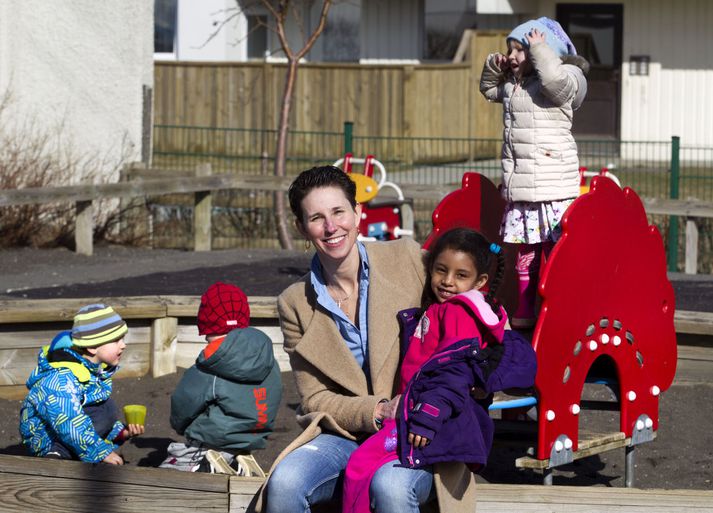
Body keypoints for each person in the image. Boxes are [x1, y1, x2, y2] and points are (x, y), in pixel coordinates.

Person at [254, 165, 476, 513]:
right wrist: (377, 410)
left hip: (420, 429)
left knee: (389, 485)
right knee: (285, 482)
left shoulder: (406, 258)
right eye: (316, 217)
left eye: (339, 212)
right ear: (301, 228)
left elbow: (469, 312)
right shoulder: (295, 303)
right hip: (345, 435)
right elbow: (315, 399)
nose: (331, 227)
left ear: (358, 213)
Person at [342, 227, 537, 513]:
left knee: (360, 467)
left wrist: (428, 415)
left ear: (480, 281)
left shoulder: (457, 312)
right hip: (421, 414)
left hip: (430, 419)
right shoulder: (440, 309)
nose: (447, 281)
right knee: (363, 467)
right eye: (441, 270)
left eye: (461, 275)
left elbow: (454, 369)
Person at [480, 17, 589, 328]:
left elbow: (557, 84)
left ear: (544, 51)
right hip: (524, 188)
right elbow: (487, 89)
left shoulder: (567, 78)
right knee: (525, 254)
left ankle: (558, 305)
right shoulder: (515, 86)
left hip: (554, 188)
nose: (512, 56)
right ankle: (527, 308)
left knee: (555, 252)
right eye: (509, 50)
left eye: (519, 50)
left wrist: (540, 49)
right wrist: (494, 65)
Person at [162, 281, 281, 476]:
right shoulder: (266, 357)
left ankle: (205, 461)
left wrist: (179, 425)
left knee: (167, 474)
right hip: (253, 435)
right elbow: (275, 391)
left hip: (213, 438)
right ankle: (238, 457)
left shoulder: (211, 362)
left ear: (207, 323)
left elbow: (185, 401)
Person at [19, 303, 144, 464]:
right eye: (115, 340)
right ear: (92, 346)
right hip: (45, 440)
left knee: (106, 407)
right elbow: (68, 420)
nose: (123, 345)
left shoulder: (90, 370)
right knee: (95, 411)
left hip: (70, 429)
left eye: (123, 338)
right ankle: (57, 456)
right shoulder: (60, 379)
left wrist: (121, 433)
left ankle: (80, 450)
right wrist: (100, 453)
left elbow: (93, 412)